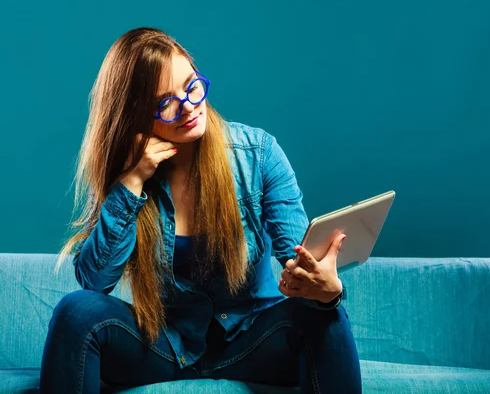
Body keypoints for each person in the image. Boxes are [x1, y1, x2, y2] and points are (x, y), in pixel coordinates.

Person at [39, 27, 361, 393]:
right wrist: (132, 183)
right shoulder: (130, 174)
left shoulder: (257, 154)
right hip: (165, 346)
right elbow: (95, 282)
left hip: (253, 342)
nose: (189, 106)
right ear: (137, 116)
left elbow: (298, 257)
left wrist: (325, 290)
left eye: (191, 86)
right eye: (166, 102)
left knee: (326, 316)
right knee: (76, 312)